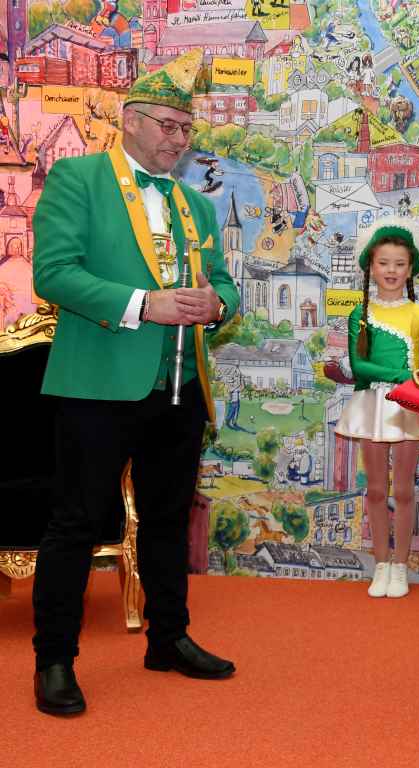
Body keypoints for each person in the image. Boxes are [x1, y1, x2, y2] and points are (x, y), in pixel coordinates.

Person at [30, 49, 240, 717]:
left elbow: (226, 289)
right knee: (75, 523)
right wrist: (141, 304)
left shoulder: (198, 207)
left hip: (178, 387)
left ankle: (168, 638)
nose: (178, 139)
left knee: (169, 520)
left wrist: (219, 307)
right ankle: (55, 659)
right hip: (97, 385)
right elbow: (54, 275)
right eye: (166, 125)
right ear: (129, 120)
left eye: (186, 129)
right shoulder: (77, 178)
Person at [330, 216, 419, 598]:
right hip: (371, 404)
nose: (391, 271)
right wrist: (403, 371)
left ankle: (401, 565)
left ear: (411, 268)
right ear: (370, 267)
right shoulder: (359, 314)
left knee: (407, 490)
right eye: (384, 263)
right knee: (377, 489)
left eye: (399, 264)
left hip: (407, 405)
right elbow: (358, 366)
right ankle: (381, 563)